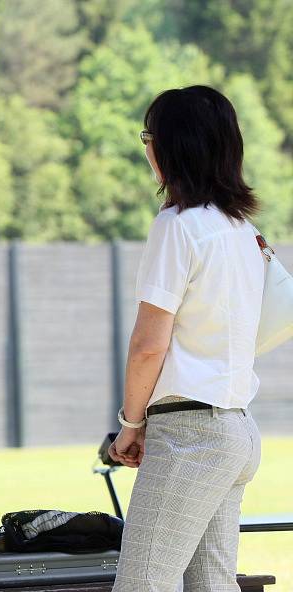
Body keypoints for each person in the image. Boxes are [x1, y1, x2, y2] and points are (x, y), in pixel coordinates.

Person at [107, 86, 264, 591]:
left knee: (141, 584)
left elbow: (148, 345)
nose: (147, 149)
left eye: (149, 137)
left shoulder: (177, 227)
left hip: (191, 436)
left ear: (172, 147)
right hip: (235, 430)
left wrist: (131, 424)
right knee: (211, 584)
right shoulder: (240, 229)